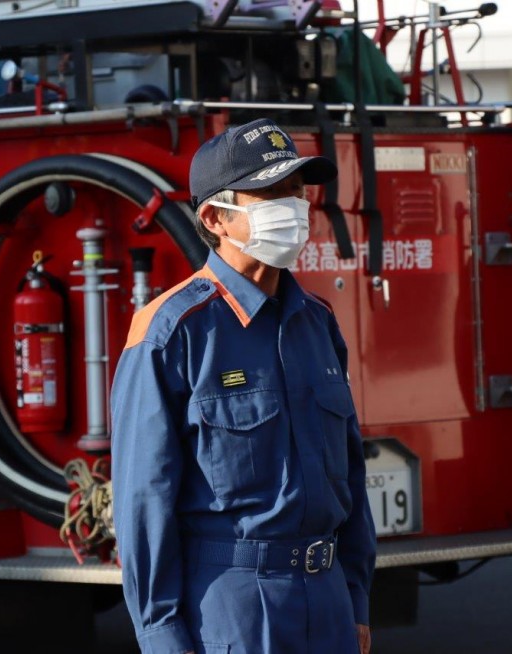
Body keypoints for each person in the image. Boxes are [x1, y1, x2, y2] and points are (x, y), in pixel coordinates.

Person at [111, 117, 376, 654]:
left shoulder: (316, 322)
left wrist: (355, 598)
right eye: (271, 193)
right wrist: (162, 636)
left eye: (296, 191)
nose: (294, 208)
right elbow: (144, 500)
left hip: (328, 604)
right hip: (233, 606)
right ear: (215, 216)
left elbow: (348, 472)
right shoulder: (172, 333)